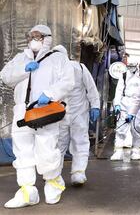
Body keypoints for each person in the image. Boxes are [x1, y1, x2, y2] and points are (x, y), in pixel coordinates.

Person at [0, 25, 75, 208]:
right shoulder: (20, 58)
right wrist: (24, 69)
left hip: (45, 111)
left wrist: (50, 94)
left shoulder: (58, 59)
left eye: (38, 36)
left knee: (47, 150)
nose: (33, 39)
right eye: (31, 36)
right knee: (22, 152)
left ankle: (54, 185)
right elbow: (5, 76)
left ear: (47, 38)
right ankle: (27, 192)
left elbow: (68, 81)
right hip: (22, 112)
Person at [53, 45, 100, 186]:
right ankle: (54, 174)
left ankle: (78, 173)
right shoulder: (51, 71)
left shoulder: (79, 68)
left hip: (79, 112)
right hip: (59, 113)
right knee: (57, 144)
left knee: (80, 142)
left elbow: (91, 88)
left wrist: (95, 106)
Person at [111, 62, 140, 161]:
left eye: (133, 66)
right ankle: (118, 151)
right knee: (121, 128)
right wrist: (117, 104)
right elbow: (119, 90)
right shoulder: (124, 75)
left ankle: (135, 151)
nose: (131, 68)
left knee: (136, 128)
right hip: (125, 103)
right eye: (129, 66)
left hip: (138, 104)